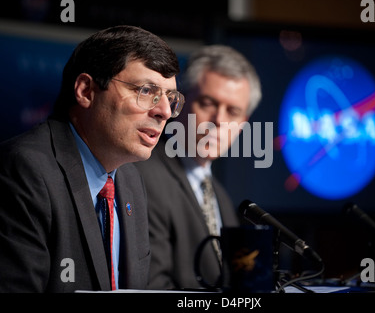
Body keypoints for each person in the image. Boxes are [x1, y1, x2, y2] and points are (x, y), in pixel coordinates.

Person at [0, 25, 184, 292]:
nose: (164, 112)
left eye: (170, 98)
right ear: (86, 91)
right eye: (146, 91)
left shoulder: (130, 180)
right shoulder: (24, 169)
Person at [135, 45, 262, 290]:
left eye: (233, 112)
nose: (219, 121)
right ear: (178, 102)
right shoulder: (144, 174)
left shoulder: (221, 197)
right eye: (207, 103)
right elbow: (152, 286)